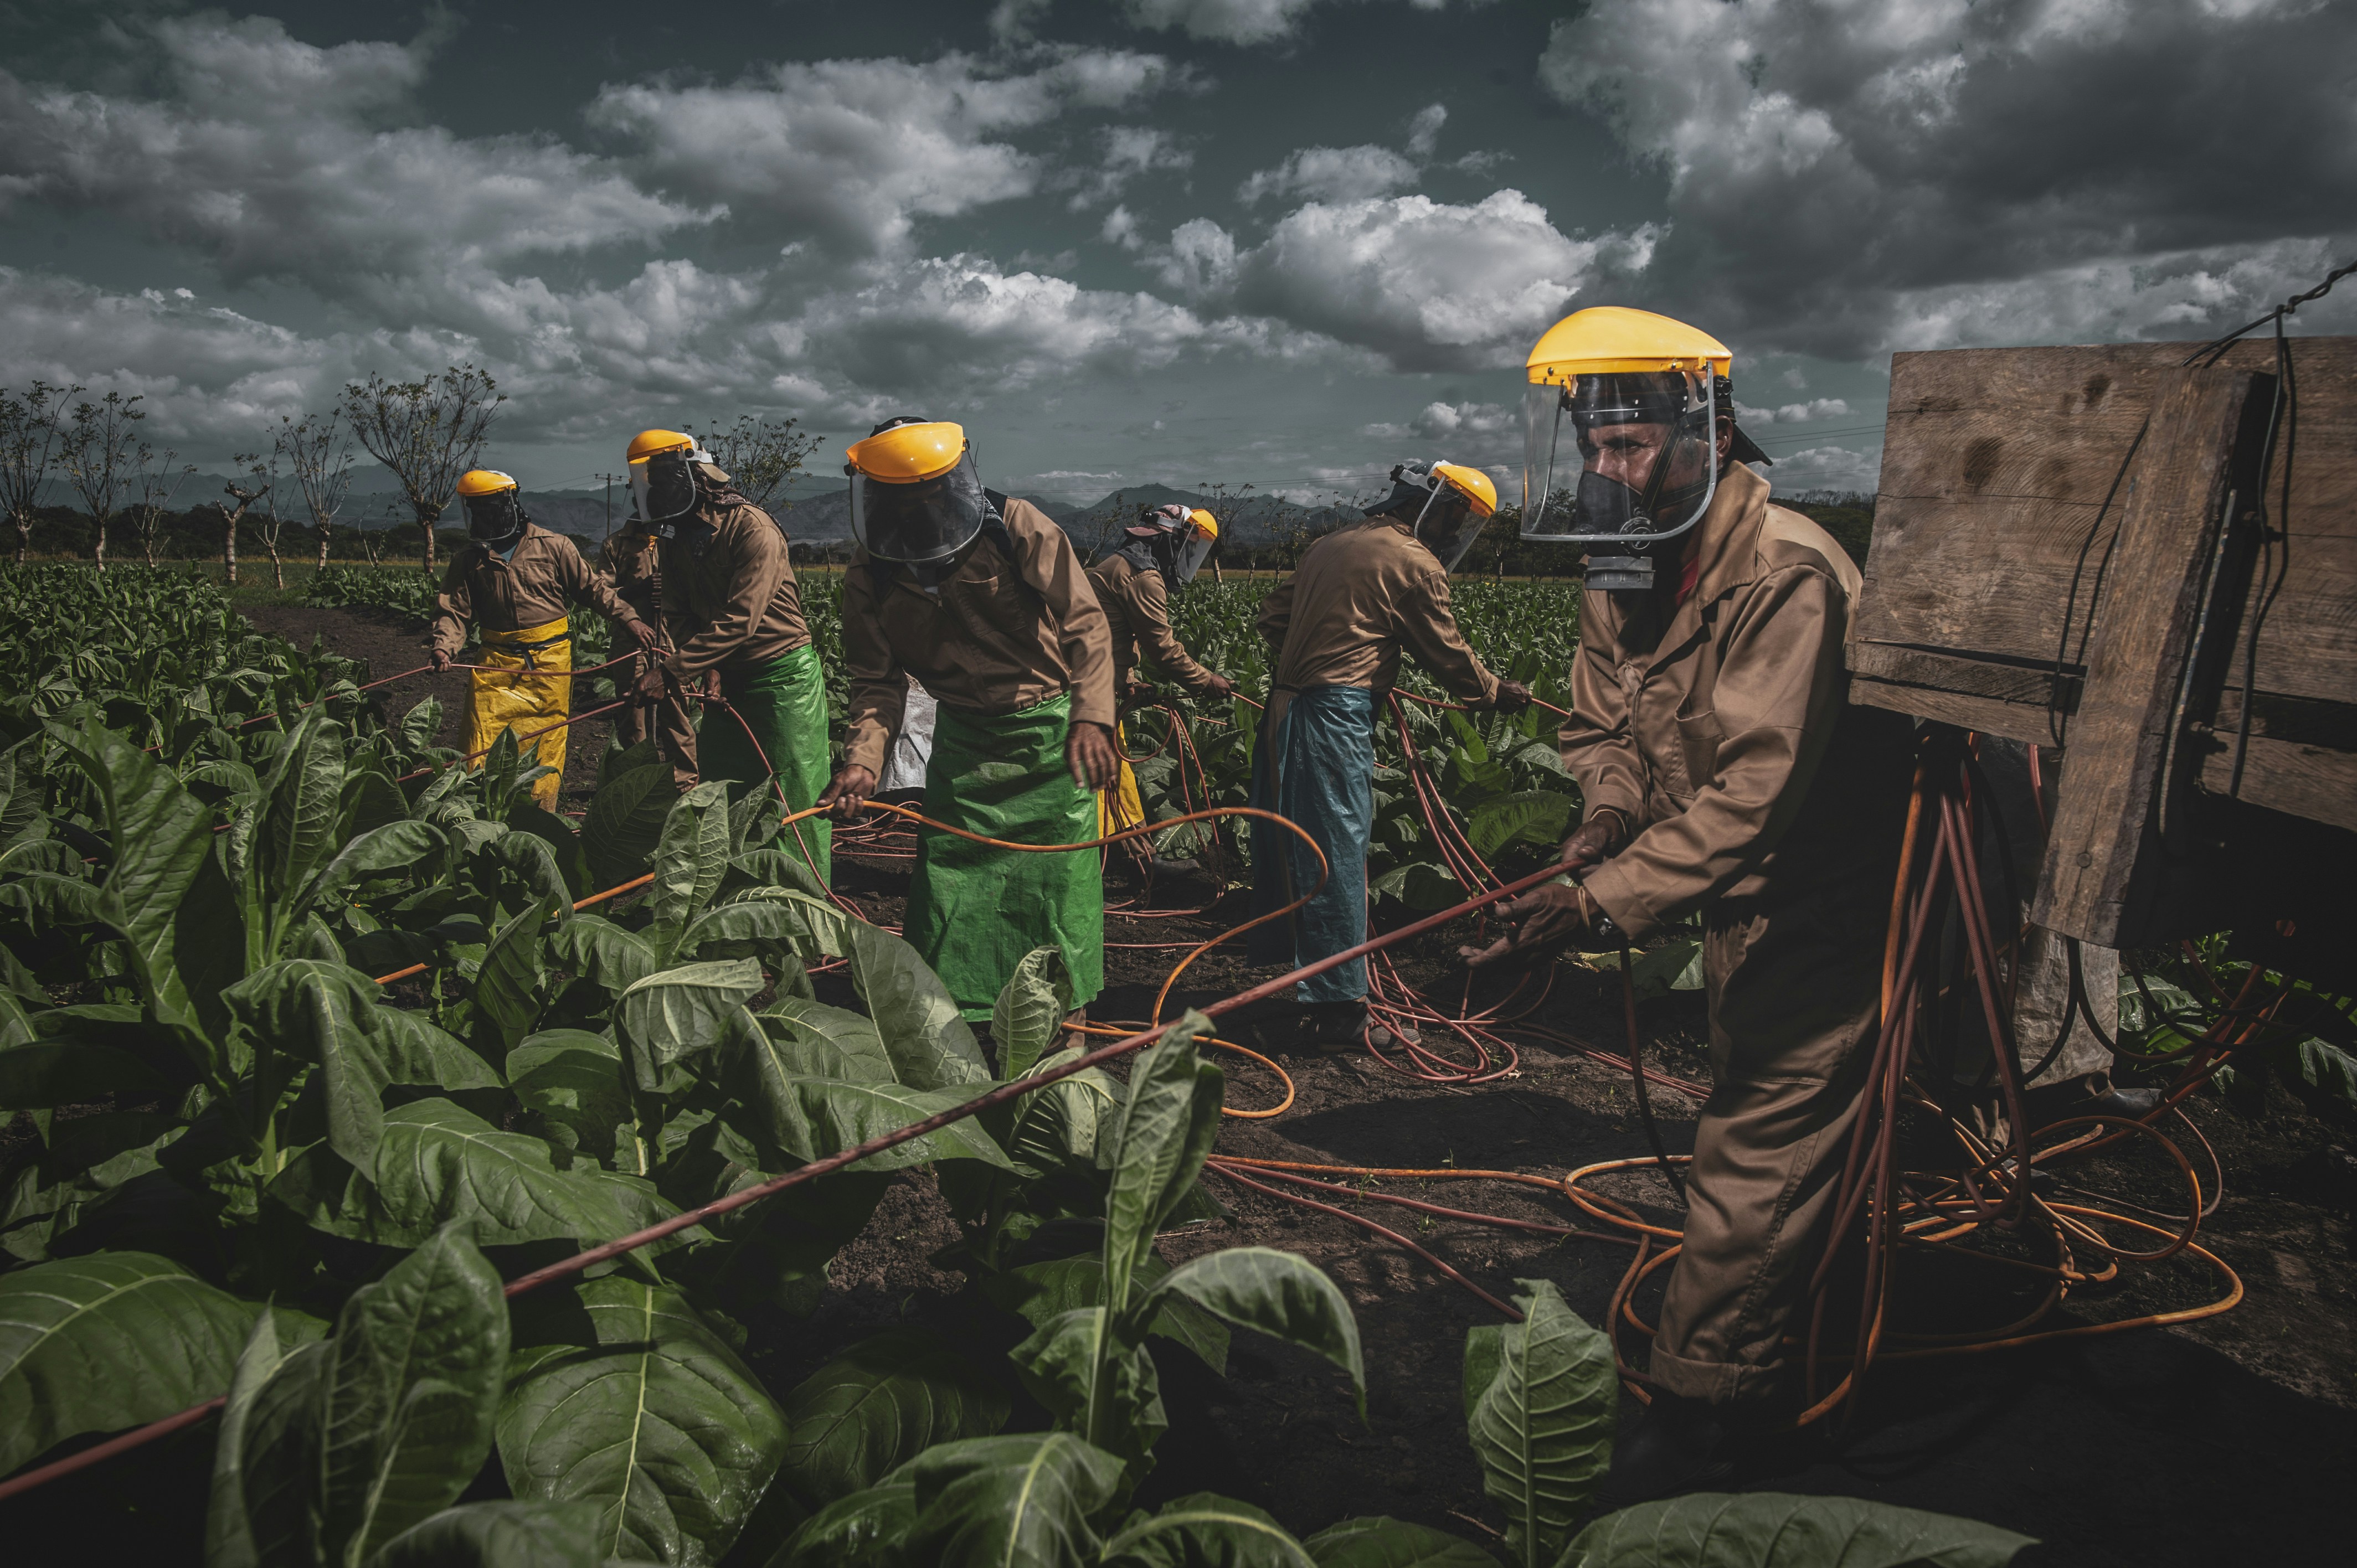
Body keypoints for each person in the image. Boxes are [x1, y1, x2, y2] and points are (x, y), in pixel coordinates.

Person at [1465, 306, 1917, 1498]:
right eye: (1595, 448)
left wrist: (1597, 902)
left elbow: (1755, 794)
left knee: (1755, 1143)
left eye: (1630, 446)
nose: (1609, 472)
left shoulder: (1789, 575)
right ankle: (1780, 1331)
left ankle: (1713, 1416)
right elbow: (1600, 727)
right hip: (1725, 902)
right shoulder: (1623, 558)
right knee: (1759, 1119)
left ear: (1707, 431)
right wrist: (1600, 821)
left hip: (1817, 902)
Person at [817, 417, 1118, 1024]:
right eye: (898, 496)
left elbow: (1085, 623)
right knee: (949, 885)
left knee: (1057, 889)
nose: (916, 506)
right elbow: (877, 681)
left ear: (951, 480)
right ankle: (956, 1019)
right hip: (963, 743)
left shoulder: (1015, 527)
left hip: (1047, 738)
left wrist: (1092, 716)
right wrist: (862, 760)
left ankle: (1068, 1025)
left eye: (927, 491)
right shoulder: (871, 571)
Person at [1252, 459, 1530, 1050]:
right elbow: (1445, 651)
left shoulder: (1329, 543)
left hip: (1283, 709)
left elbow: (1272, 618)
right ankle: (1342, 1012)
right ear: (1432, 508)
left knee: (1293, 845)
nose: (1456, 536)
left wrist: (1329, 651)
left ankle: (1311, 978)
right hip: (1333, 717)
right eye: (1458, 520)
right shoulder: (1412, 562)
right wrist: (1491, 692)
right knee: (1336, 856)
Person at [625, 428, 835, 881]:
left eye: (664, 479)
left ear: (694, 478)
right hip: (728, 678)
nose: (656, 492)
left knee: (789, 793)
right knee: (726, 792)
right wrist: (710, 667)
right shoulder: (674, 540)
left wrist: (672, 671)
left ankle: (803, 903)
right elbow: (679, 612)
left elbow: (743, 618)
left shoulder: (751, 528)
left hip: (780, 677)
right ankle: (736, 892)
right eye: (649, 483)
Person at [430, 468, 652, 812]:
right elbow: (454, 611)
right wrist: (444, 645)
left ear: (510, 504)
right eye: (477, 509)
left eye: (491, 507)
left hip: (550, 664)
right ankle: (479, 811)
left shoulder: (554, 546)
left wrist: (629, 618)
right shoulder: (469, 560)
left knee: (544, 744)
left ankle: (538, 812)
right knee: (482, 739)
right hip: (495, 665)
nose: (485, 516)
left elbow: (593, 590)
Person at [1087, 504, 1236, 871]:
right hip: (1088, 690)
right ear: (1173, 541)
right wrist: (1207, 681)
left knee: (1112, 770)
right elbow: (1164, 651)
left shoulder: (1122, 565)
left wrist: (1129, 683)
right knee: (1100, 775)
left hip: (1093, 683)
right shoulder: (1143, 577)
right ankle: (1117, 860)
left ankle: (1129, 852)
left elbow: (1112, 636)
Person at [598, 520, 699, 790]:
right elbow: (601, 593)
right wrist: (639, 590)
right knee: (634, 711)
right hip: (631, 638)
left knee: (677, 709)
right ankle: (638, 782)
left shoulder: (680, 538)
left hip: (672, 634)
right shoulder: (616, 544)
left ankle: (684, 782)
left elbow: (698, 584)